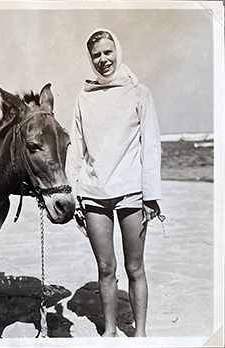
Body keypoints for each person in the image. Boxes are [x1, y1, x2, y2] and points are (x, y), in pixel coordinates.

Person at [66, 28, 162, 337]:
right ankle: (108, 332)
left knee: (135, 268)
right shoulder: (83, 97)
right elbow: (76, 149)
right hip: (94, 194)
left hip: (132, 193)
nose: (103, 59)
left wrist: (151, 195)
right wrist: (74, 194)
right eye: (96, 55)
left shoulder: (138, 92)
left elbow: (151, 145)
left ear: (117, 51)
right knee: (106, 269)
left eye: (108, 52)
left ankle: (141, 333)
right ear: (90, 59)